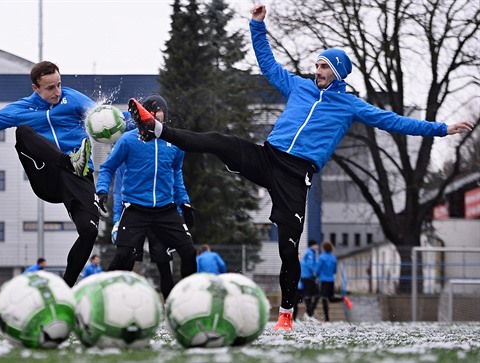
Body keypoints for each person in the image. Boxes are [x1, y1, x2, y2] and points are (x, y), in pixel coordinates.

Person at [128, 4, 473, 331]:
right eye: (317, 65)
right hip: (268, 157)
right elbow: (268, 65)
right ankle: (156, 128)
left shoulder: (350, 104)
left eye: (324, 67)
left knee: (288, 248)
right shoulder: (300, 86)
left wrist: (442, 129)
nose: (317, 71)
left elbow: (395, 122)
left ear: (337, 72)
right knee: (219, 140)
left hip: (295, 177)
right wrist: (258, 26)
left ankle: (286, 314)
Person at [0, 61, 101, 287]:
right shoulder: (22, 108)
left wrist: (141, 121)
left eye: (59, 85)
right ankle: (69, 160)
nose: (57, 92)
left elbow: (103, 117)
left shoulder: (72, 99)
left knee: (89, 231)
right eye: (50, 88)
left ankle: (66, 288)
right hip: (46, 174)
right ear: (36, 88)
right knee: (23, 131)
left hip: (77, 176)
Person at [96, 94, 197, 293]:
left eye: (160, 115)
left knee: (189, 251)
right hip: (135, 208)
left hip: (165, 209)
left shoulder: (174, 142)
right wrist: (101, 191)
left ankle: (189, 300)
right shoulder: (128, 140)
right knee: (124, 255)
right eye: (152, 114)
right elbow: (108, 168)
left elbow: (177, 173)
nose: (157, 119)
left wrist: (184, 202)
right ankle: (101, 295)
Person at [315, 241, 352, 322]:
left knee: (324, 298)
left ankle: (326, 319)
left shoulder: (322, 257)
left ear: (324, 248)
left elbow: (317, 270)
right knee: (331, 298)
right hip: (331, 280)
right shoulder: (333, 258)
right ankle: (343, 299)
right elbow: (335, 271)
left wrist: (316, 274)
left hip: (323, 280)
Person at [301, 240, 319, 323]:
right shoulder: (310, 253)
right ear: (312, 245)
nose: (317, 246)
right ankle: (309, 314)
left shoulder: (309, 252)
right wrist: (315, 272)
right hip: (308, 277)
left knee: (310, 295)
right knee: (315, 295)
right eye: (316, 244)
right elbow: (310, 264)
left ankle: (309, 314)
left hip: (306, 276)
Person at [292, 254, 304, 322]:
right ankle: (292, 317)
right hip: (293, 287)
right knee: (293, 303)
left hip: (299, 287)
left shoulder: (301, 265)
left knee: (295, 303)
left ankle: (294, 318)